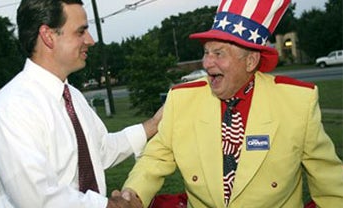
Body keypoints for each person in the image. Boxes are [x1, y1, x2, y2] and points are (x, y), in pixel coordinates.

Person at [121, 0, 343, 207]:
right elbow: (156, 157)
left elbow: (330, 185)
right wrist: (134, 194)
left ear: (250, 61)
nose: (207, 63)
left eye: (219, 53)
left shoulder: (296, 102)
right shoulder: (181, 99)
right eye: (206, 52)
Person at [0, 0, 161, 207]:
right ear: (48, 36)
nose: (90, 40)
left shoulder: (73, 96)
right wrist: (109, 206)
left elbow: (100, 150)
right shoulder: (12, 107)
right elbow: (37, 198)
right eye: (80, 32)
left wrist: (153, 124)